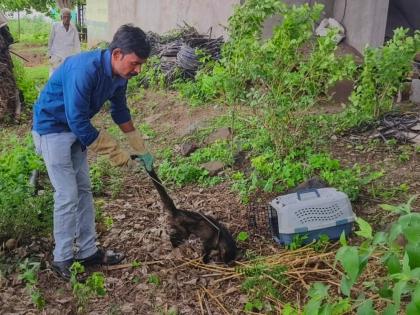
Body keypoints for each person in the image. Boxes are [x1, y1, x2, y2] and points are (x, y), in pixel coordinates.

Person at [32, 24, 154, 280]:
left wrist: (137, 145)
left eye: (141, 64)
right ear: (117, 54)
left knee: (84, 191)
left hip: (76, 128)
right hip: (52, 128)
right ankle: (62, 258)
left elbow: (119, 111)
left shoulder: (120, 77)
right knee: (67, 194)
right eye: (134, 63)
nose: (138, 70)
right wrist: (113, 150)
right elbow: (75, 118)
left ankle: (88, 252)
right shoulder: (84, 69)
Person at [48, 8, 80, 76]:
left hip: (69, 56)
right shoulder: (55, 26)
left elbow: (77, 43)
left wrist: (78, 56)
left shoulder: (73, 28)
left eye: (68, 17)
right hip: (56, 56)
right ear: (61, 17)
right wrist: (49, 54)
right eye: (64, 17)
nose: (66, 19)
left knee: (68, 76)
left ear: (71, 17)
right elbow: (50, 40)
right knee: (54, 76)